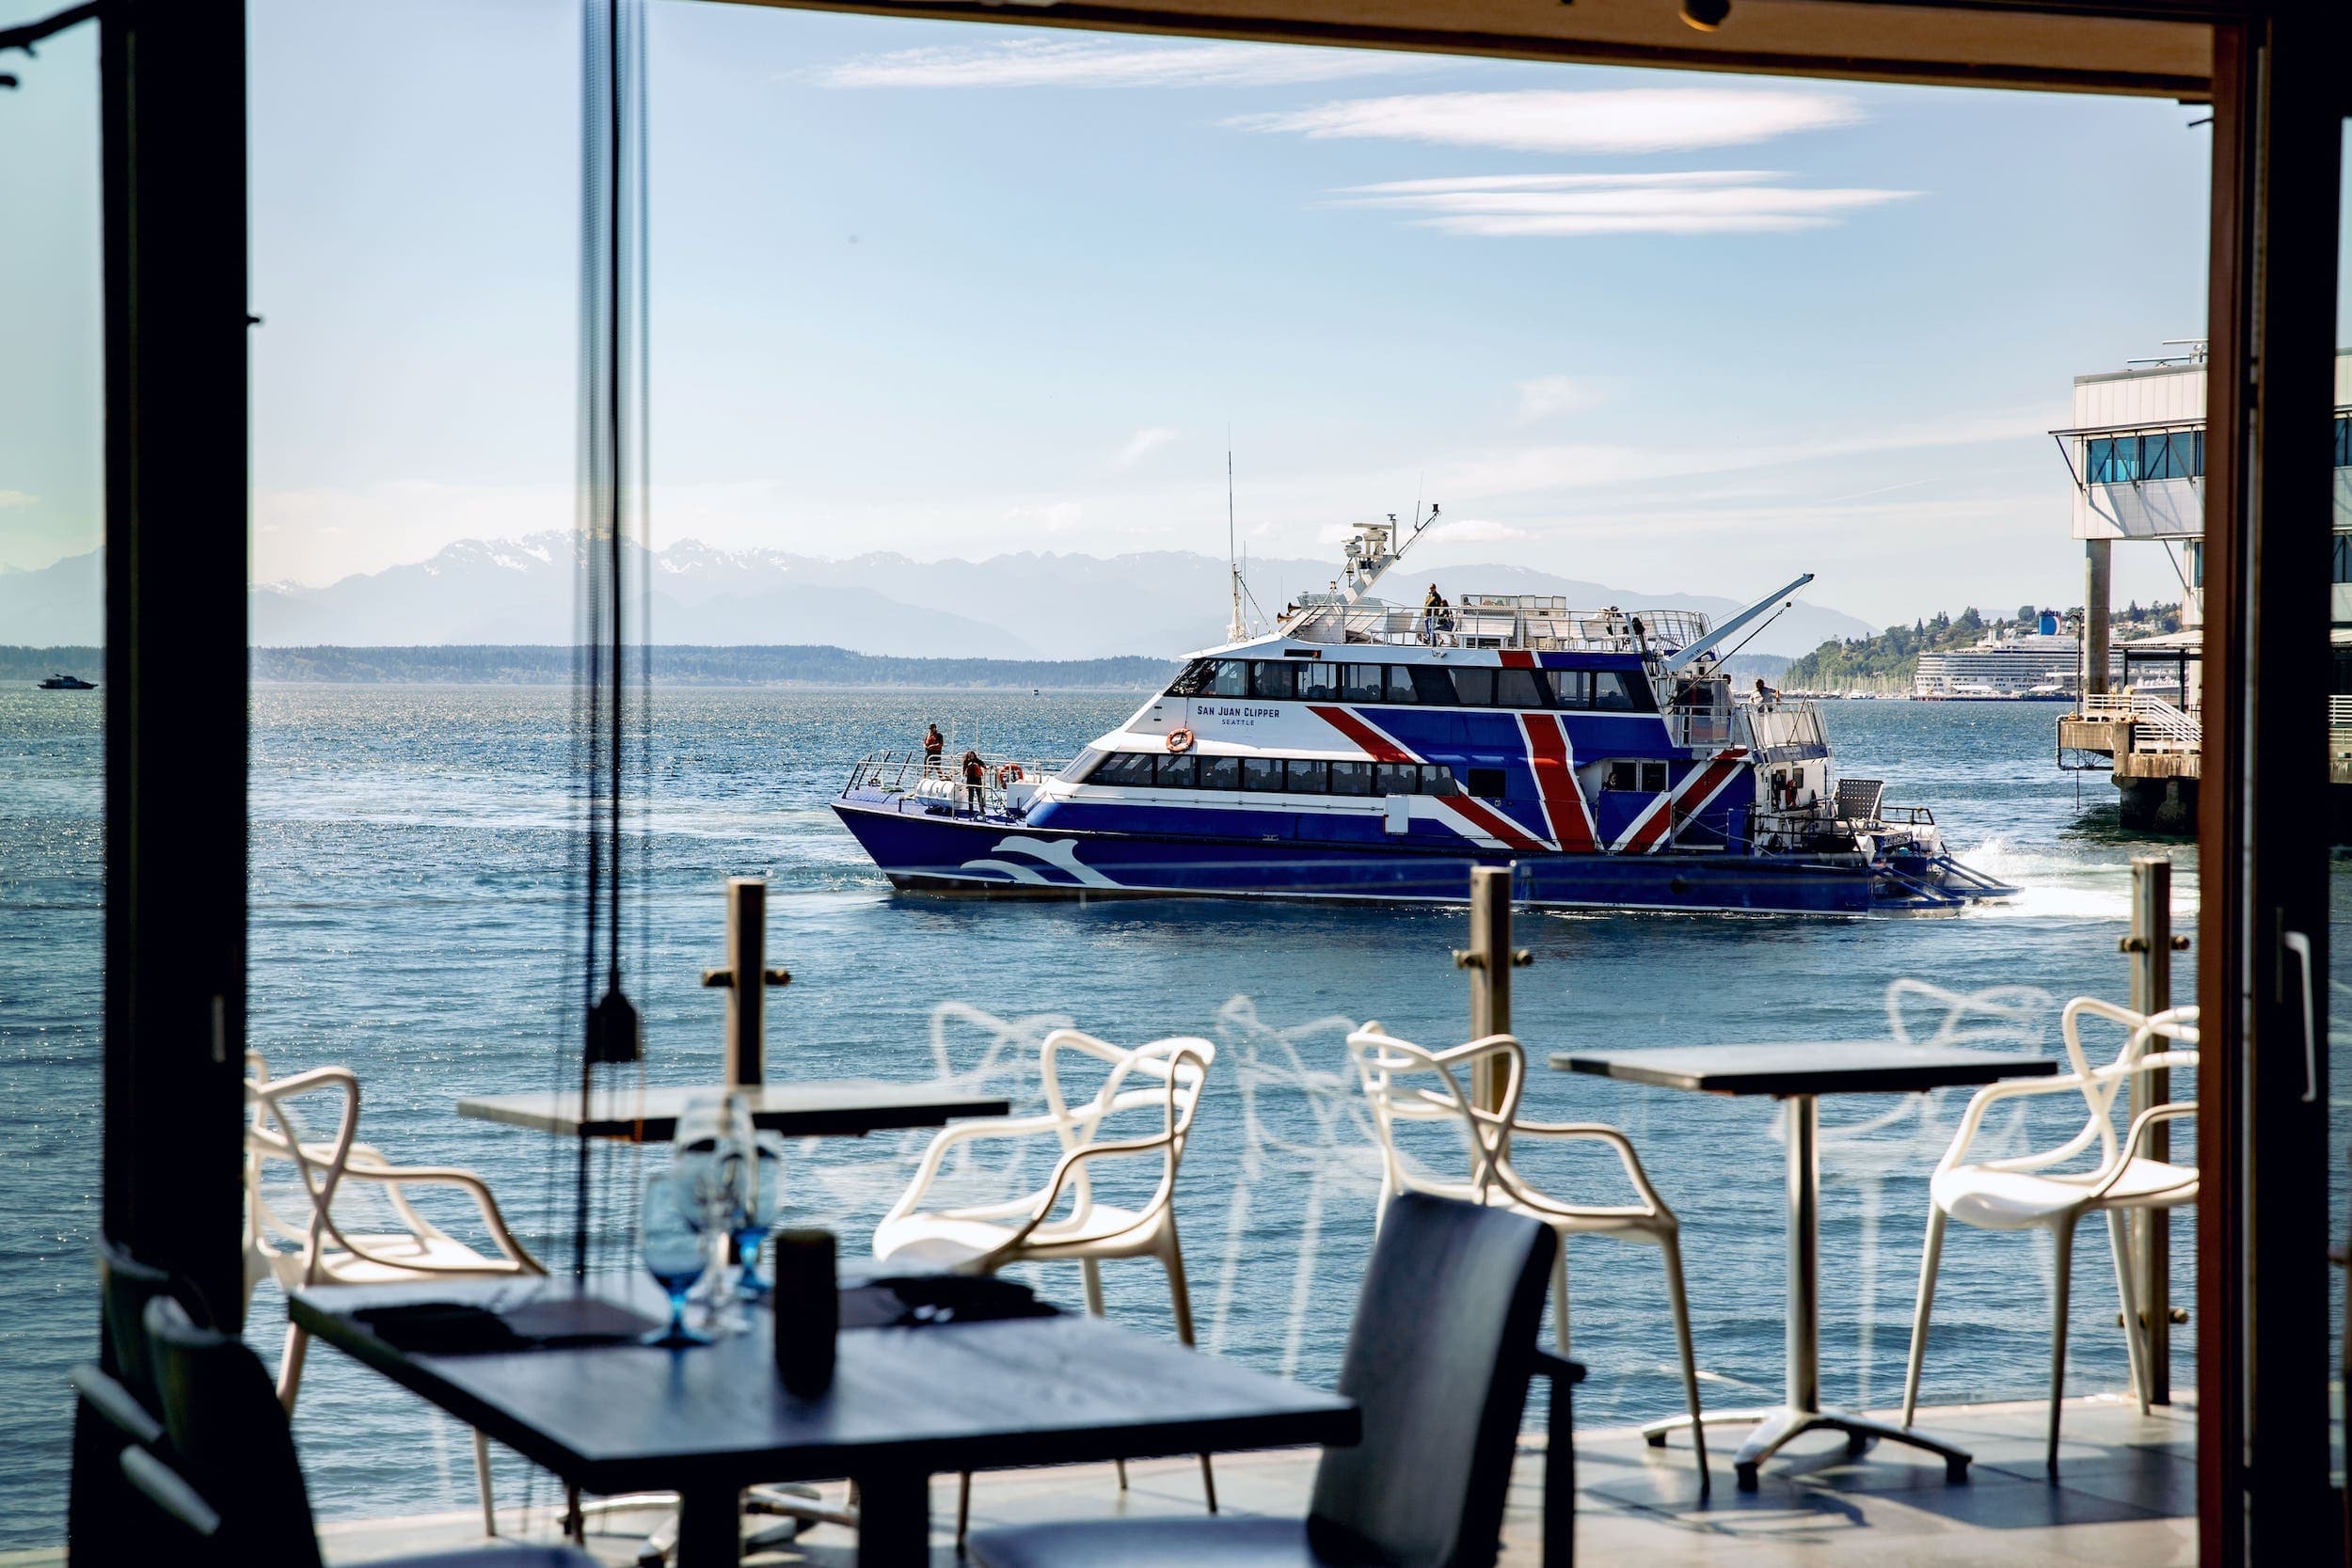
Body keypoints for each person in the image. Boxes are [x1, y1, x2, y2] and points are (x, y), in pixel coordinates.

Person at [961, 748, 986, 815]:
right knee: (971, 795)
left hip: (977, 779)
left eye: (973, 755)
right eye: (971, 755)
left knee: (979, 795)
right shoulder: (966, 762)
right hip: (970, 779)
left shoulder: (977, 761)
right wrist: (963, 777)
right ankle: (970, 810)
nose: (972, 756)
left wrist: (985, 767)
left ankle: (981, 809)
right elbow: (963, 770)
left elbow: (983, 764)